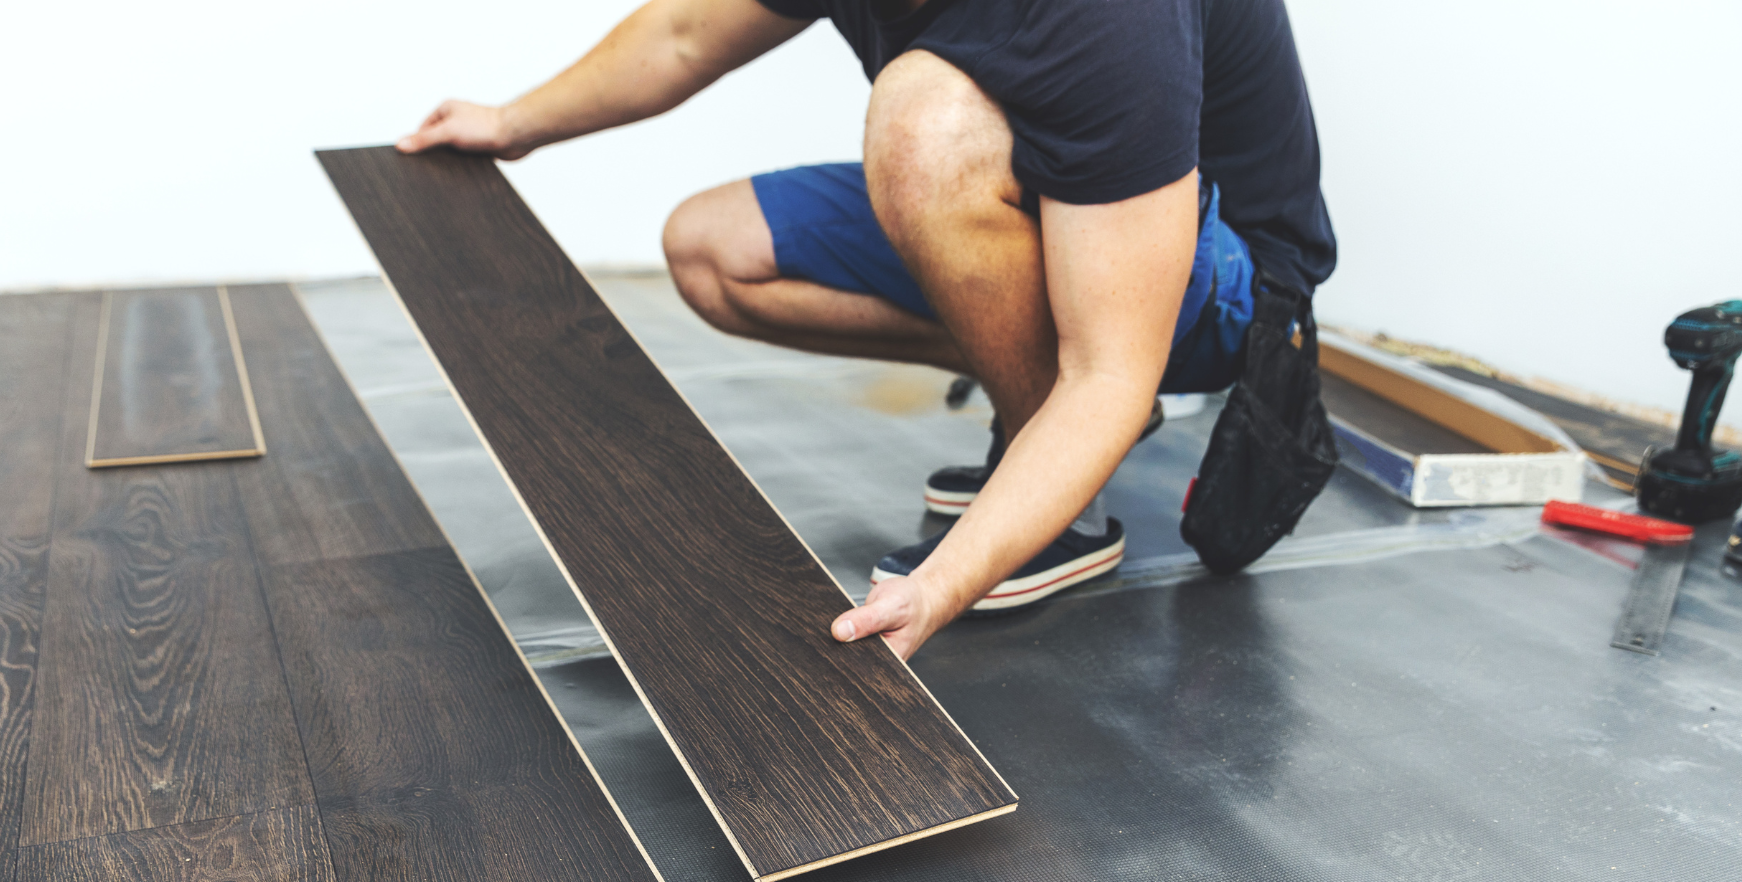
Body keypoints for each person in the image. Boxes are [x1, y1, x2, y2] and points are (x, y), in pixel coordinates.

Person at [398, 0, 1335, 658]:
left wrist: (945, 583)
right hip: (1059, 212)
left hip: (1224, 289)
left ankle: (1065, 515)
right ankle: (1043, 436)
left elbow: (1107, 375)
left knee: (923, 120)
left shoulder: (1104, 16)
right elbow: (684, 33)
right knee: (713, 249)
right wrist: (512, 123)